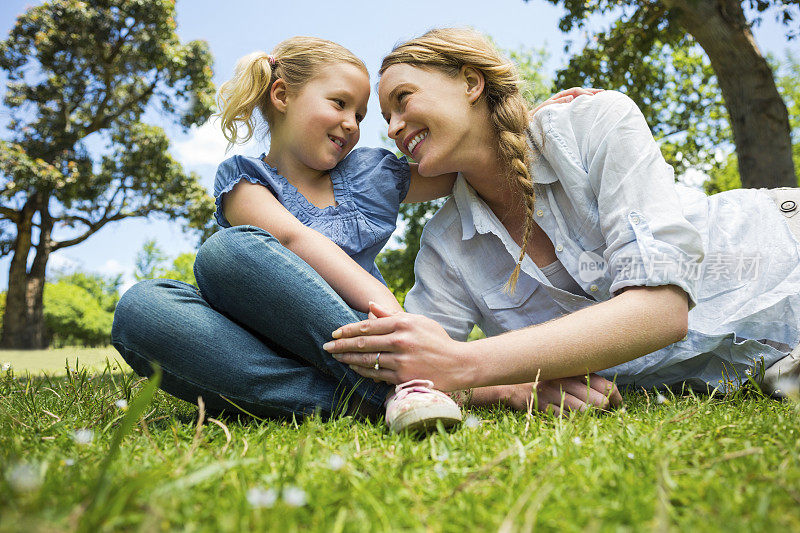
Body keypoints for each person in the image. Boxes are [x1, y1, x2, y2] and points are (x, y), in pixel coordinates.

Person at [323, 27, 800, 413]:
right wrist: (508, 387)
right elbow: (421, 376)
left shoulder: (591, 125)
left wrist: (468, 363)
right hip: (761, 367)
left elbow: (661, 311)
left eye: (403, 99)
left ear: (471, 82)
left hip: (783, 248)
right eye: (385, 117)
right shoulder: (447, 246)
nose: (392, 128)